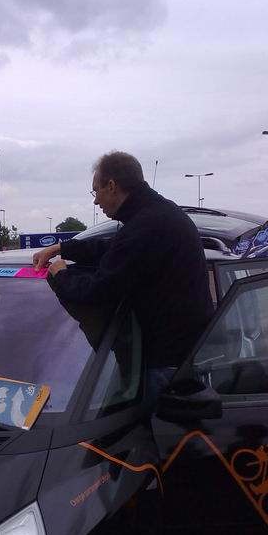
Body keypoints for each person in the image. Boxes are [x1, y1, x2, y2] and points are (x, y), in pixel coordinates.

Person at [33, 152, 214, 403]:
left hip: (164, 364)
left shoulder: (145, 227)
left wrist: (62, 275)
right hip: (180, 354)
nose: (96, 201)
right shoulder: (157, 215)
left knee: (154, 437)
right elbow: (114, 249)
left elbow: (98, 291)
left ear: (112, 186)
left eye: (96, 191)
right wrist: (62, 248)